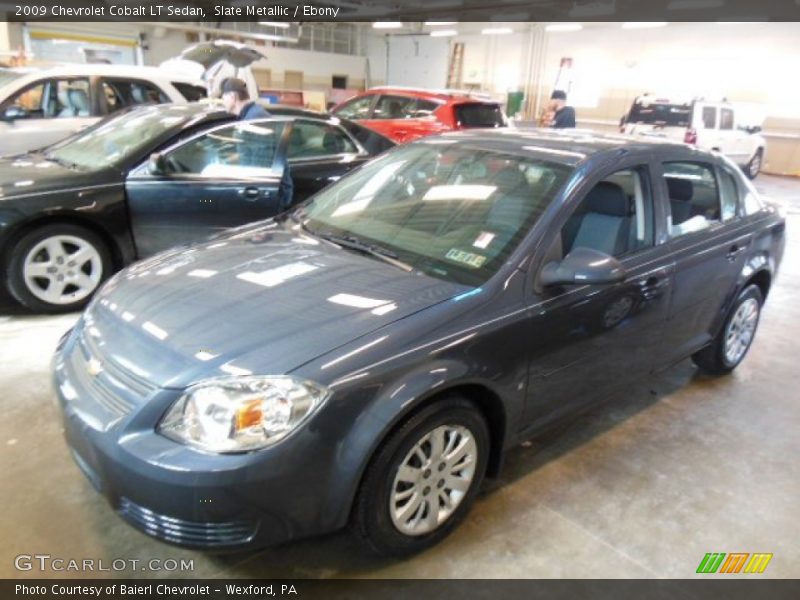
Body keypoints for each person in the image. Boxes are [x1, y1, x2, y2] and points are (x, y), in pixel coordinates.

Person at [220, 77, 293, 207]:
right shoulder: (250, 116)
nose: (222, 101)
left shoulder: (255, 119)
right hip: (267, 193)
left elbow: (260, 163)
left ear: (233, 96)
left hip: (270, 197)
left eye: (223, 96)